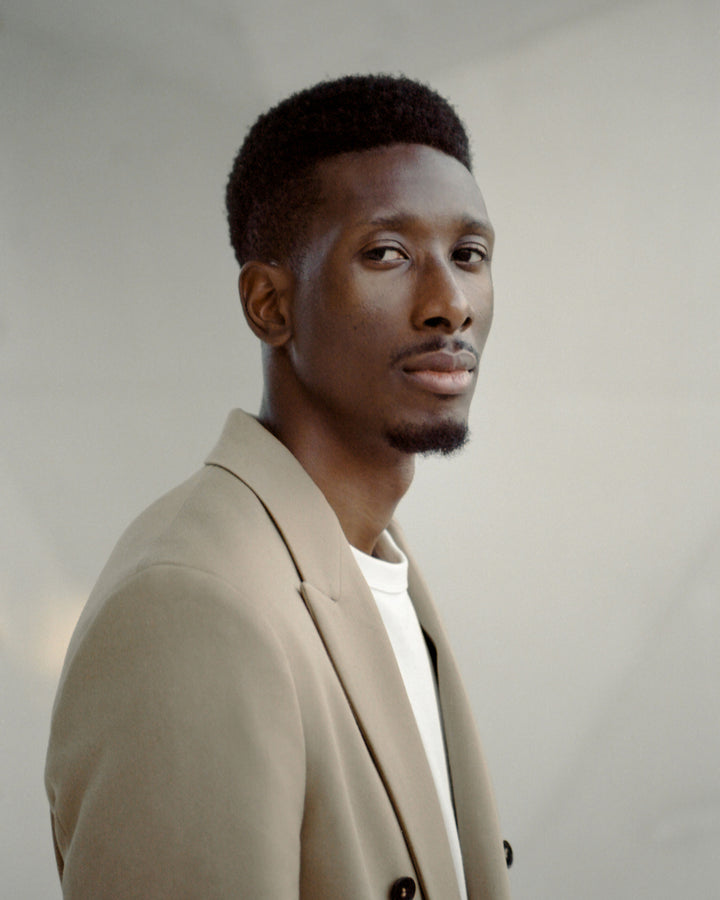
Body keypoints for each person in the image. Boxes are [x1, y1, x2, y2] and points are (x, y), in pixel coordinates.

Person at [45, 73, 512, 900]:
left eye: (468, 256)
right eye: (388, 254)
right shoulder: (192, 605)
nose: (450, 304)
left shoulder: (374, 566)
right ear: (269, 305)